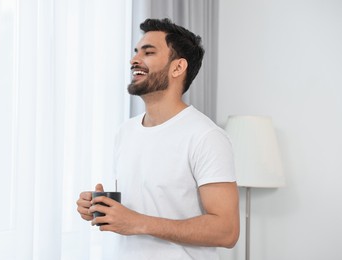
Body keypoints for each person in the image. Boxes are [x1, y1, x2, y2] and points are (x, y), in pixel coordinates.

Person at [77, 18, 239, 259]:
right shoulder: (125, 132)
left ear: (177, 67)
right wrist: (99, 207)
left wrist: (139, 223)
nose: (134, 60)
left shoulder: (206, 137)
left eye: (148, 52)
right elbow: (146, 204)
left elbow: (226, 231)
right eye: (135, 52)